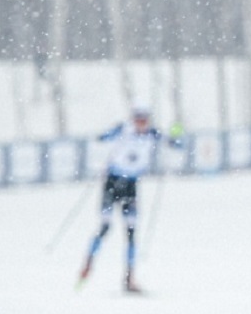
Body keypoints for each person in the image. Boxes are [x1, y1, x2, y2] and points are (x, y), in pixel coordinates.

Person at [78, 106, 183, 292]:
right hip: (112, 182)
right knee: (105, 227)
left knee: (131, 232)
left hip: (130, 185)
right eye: (138, 120)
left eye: (144, 120)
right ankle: (88, 265)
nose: (141, 124)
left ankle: (129, 278)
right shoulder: (123, 129)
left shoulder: (152, 133)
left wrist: (177, 136)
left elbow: (176, 144)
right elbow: (102, 138)